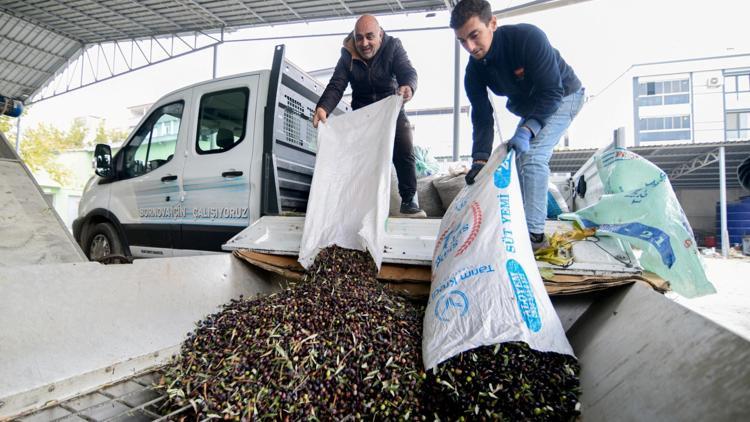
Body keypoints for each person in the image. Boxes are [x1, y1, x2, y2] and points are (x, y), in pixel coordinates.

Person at [450, 0, 585, 249]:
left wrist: (528, 128)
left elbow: (551, 92)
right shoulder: (474, 71)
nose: (469, 46)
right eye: (462, 41)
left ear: (492, 24)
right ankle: (523, 222)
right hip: (534, 104)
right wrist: (480, 160)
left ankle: (534, 236)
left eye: (474, 35)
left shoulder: (527, 38)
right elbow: (481, 115)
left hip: (564, 95)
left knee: (532, 155)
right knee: (519, 156)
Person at [313, 15, 425, 217]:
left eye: (370, 37)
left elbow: (408, 71)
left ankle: (409, 198)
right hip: (363, 113)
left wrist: (408, 86)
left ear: (380, 35)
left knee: (404, 143)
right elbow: (337, 84)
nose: (364, 43)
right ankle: (361, 203)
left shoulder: (393, 46)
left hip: (390, 108)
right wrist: (323, 107)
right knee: (360, 158)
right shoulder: (347, 54)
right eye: (359, 38)